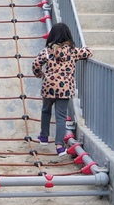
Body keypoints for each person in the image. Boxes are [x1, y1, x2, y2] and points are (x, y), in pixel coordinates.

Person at [31, 22, 93, 156]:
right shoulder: (73, 51)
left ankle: (44, 136)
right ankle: (59, 146)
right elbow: (88, 53)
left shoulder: (48, 51)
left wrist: (40, 74)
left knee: (46, 110)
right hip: (64, 89)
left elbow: (36, 63)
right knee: (61, 117)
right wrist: (85, 47)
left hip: (48, 86)